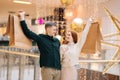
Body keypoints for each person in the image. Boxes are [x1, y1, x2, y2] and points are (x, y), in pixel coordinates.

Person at [19, 11, 61, 80]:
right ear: (47, 29)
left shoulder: (56, 40)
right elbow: (27, 32)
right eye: (54, 29)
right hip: (47, 69)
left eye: (56, 29)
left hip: (58, 69)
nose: (55, 31)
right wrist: (22, 18)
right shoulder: (41, 38)